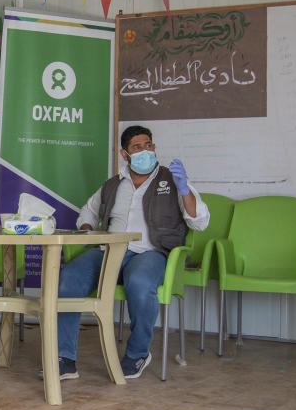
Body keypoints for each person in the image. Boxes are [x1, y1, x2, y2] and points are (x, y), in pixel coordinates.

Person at [52, 125, 209, 381]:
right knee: (69, 278)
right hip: (108, 251)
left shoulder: (172, 180)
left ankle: (138, 354)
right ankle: (64, 358)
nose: (145, 151)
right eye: (137, 147)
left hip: (151, 252)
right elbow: (87, 213)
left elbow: (200, 221)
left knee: (139, 281)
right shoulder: (113, 185)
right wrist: (88, 230)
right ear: (125, 154)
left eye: (149, 145)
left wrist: (184, 190)